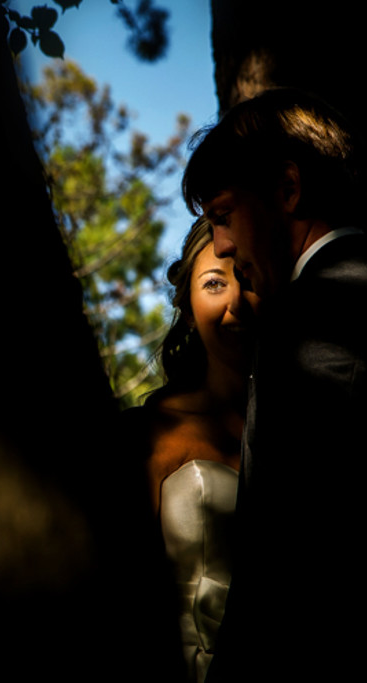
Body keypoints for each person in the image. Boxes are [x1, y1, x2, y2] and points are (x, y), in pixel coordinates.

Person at [181, 88, 367, 682]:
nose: (223, 249)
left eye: (223, 216)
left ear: (288, 190)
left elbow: (293, 570)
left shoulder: (314, 324)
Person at [124, 217, 259, 683]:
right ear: (186, 306)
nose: (236, 304)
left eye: (249, 280)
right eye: (214, 283)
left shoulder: (312, 429)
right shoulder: (154, 433)